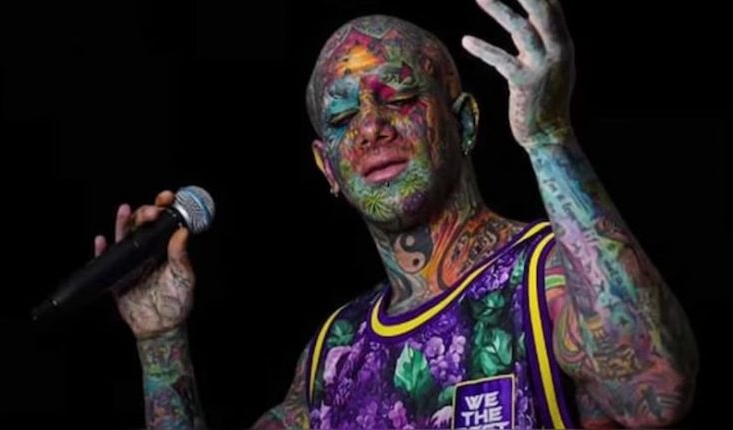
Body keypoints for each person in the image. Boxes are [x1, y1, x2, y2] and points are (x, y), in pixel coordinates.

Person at [94, 0, 698, 428]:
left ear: (464, 124)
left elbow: (658, 393)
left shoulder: (548, 277)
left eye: (400, 97)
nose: (370, 127)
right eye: (342, 118)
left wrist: (548, 138)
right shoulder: (336, 354)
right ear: (328, 169)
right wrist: (161, 343)